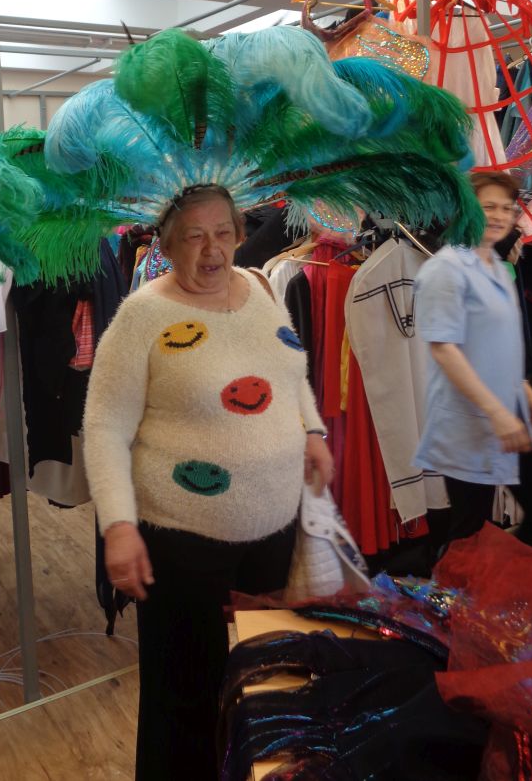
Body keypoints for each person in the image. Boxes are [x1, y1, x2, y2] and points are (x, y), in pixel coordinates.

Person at [83, 183, 333, 781]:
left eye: (223, 233)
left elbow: (291, 371)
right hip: (180, 543)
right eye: (194, 236)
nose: (212, 249)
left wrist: (313, 430)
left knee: (262, 683)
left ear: (241, 235)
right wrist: (118, 526)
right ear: (166, 245)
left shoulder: (261, 289)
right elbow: (104, 427)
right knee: (183, 700)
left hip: (272, 534)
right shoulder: (142, 315)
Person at [414, 170, 532, 554]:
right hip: (470, 421)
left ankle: (501, 580)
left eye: (506, 208)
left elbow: (497, 342)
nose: (498, 216)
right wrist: (496, 413)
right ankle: (455, 589)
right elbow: (444, 349)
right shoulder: (445, 269)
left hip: (508, 412)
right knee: (469, 534)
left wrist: (524, 389)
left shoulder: (496, 265)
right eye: (488, 207)